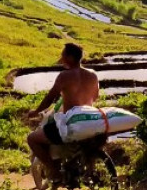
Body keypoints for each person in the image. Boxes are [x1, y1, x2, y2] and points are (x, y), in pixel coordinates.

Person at [25, 43, 100, 180]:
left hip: (71, 123)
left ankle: (54, 171)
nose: (61, 58)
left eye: (63, 55)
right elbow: (95, 97)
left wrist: (35, 112)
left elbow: (49, 99)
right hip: (87, 119)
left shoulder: (64, 76)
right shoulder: (93, 75)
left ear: (70, 57)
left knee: (32, 139)